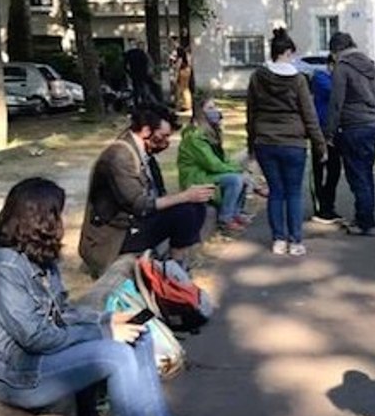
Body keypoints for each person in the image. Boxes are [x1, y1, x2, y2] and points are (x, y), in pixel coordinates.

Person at [0, 178, 211, 416]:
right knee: (117, 355)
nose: (61, 222)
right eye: (57, 213)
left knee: (137, 332)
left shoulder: (37, 255)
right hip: (11, 373)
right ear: (40, 218)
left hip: (39, 357)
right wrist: (103, 335)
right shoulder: (3, 266)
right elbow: (35, 337)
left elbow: (62, 311)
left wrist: (107, 320)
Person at [78, 105, 214, 277]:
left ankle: (177, 264)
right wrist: (184, 196)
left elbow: (158, 195)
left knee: (194, 206)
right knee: (185, 210)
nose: (166, 142)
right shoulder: (119, 156)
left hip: (134, 224)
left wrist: (189, 197)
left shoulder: (144, 153)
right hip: (115, 237)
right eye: (163, 136)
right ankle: (175, 271)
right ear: (146, 130)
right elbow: (140, 205)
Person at [247, 28, 327, 257]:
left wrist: (251, 143)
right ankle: (296, 241)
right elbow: (309, 115)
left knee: (276, 192)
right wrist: (320, 144)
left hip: (265, 140)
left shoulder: (257, 77)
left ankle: (278, 240)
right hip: (293, 142)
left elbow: (251, 112)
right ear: (288, 52)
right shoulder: (298, 80)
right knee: (293, 193)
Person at [325, 32, 375, 237]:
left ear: (336, 50)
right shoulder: (369, 64)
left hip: (353, 125)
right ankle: (364, 217)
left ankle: (365, 223)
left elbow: (336, 102)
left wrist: (329, 132)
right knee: (366, 174)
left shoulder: (342, 67)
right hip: (372, 124)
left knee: (357, 176)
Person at [179, 98, 251, 235]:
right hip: (195, 177)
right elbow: (212, 164)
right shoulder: (194, 137)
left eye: (215, 107)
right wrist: (237, 170)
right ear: (201, 112)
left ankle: (236, 213)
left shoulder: (210, 133)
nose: (216, 111)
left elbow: (223, 159)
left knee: (242, 177)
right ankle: (225, 219)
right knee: (235, 179)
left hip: (206, 174)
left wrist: (240, 169)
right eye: (210, 108)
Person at [310, 55, 345, 223]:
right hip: (320, 129)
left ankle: (329, 205)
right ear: (330, 65)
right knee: (319, 169)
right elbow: (335, 92)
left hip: (335, 129)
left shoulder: (336, 80)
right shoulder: (320, 78)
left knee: (334, 169)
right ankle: (320, 207)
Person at [124, 39, 160, 106]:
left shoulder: (129, 53)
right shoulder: (141, 53)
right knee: (144, 89)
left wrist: (129, 73)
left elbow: (125, 65)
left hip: (135, 75)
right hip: (142, 75)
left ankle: (138, 103)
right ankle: (146, 102)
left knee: (137, 90)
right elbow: (147, 63)